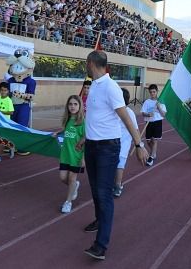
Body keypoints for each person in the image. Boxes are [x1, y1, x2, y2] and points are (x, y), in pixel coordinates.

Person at [82, 50, 148, 260]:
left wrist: (139, 144)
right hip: (91, 145)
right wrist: (86, 136)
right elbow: (95, 116)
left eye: (86, 64)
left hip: (107, 149)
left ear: (91, 63)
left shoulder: (111, 88)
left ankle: (101, 245)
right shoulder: (94, 85)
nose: (85, 67)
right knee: (94, 189)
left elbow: (127, 119)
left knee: (104, 194)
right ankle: (99, 220)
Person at [52, 95, 85, 213]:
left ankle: (68, 202)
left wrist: (83, 158)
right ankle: (75, 186)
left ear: (80, 106)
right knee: (62, 178)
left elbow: (86, 138)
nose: (72, 106)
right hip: (65, 155)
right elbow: (66, 130)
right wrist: (58, 132)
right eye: (70, 104)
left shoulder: (82, 122)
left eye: (75, 104)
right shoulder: (67, 120)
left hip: (76, 156)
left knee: (71, 179)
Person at [114, 88, 138, 197]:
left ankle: (118, 184)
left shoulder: (129, 113)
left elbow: (135, 129)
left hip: (124, 143)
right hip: (112, 142)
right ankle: (113, 181)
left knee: (120, 164)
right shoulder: (113, 111)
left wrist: (139, 144)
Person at [140, 84, 166, 166]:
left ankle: (151, 157)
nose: (152, 93)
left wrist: (159, 108)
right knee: (148, 141)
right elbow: (143, 113)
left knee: (154, 140)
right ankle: (153, 152)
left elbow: (164, 114)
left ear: (157, 91)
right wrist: (148, 115)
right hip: (149, 123)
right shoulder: (147, 102)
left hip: (157, 122)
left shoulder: (160, 101)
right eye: (151, 92)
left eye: (154, 92)